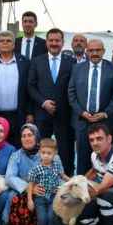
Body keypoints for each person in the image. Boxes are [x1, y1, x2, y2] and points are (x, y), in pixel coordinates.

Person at [68, 39, 113, 174]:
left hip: (105, 121)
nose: (95, 53)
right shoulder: (77, 68)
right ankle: (81, 190)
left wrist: (105, 113)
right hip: (82, 121)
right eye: (91, 50)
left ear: (103, 51)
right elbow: (71, 93)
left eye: (98, 50)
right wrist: (81, 112)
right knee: (82, 159)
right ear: (87, 51)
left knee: (105, 158)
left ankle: (104, 190)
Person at [28, 28, 76, 174]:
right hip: (42, 114)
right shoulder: (36, 61)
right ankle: (40, 177)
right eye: (51, 40)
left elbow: (74, 87)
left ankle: (66, 180)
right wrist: (43, 102)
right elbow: (30, 86)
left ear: (62, 43)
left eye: (57, 40)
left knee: (66, 150)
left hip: (65, 115)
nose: (54, 43)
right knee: (41, 149)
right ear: (46, 42)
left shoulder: (71, 62)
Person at [5, 124, 64, 225]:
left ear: (36, 137)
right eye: (23, 136)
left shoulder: (50, 154)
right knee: (11, 195)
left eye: (30, 135)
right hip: (27, 189)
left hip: (49, 189)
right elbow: (9, 177)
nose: (26, 138)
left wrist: (53, 188)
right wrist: (29, 188)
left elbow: (61, 177)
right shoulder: (16, 155)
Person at [27, 138, 67, 225]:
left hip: (53, 198)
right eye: (43, 153)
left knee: (51, 217)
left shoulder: (56, 166)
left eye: (49, 153)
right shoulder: (36, 169)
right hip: (40, 198)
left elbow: (63, 176)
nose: (46, 156)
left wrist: (72, 181)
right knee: (43, 218)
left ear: (55, 153)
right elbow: (31, 184)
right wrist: (30, 200)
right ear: (40, 153)